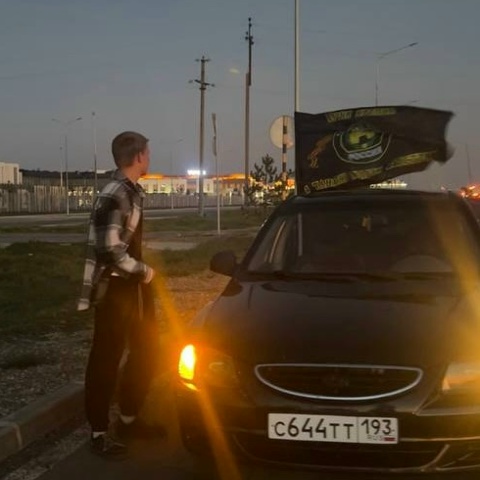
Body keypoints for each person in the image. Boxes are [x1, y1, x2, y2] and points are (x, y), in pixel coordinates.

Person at [78, 131, 161, 459]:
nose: (149, 158)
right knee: (106, 359)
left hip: (133, 286)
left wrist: (141, 276)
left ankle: (129, 419)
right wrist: (143, 271)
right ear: (138, 156)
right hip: (115, 288)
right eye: (148, 153)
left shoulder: (131, 191)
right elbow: (109, 250)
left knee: (147, 350)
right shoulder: (115, 193)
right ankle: (99, 432)